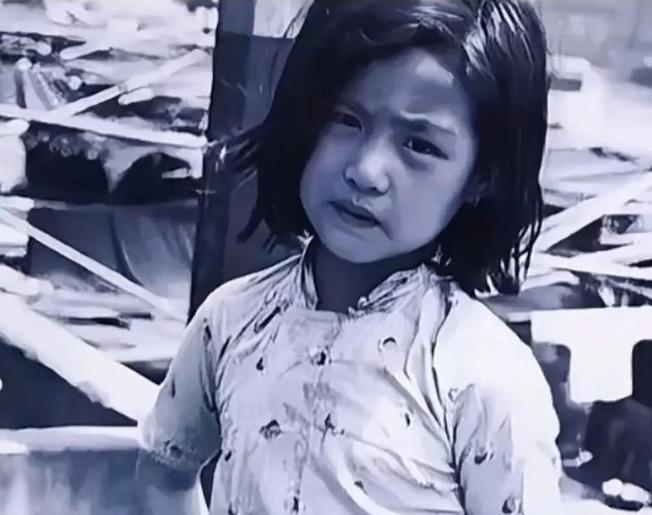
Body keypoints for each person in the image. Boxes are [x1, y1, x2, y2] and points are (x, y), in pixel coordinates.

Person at [136, 1, 563, 513]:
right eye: (346, 119)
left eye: (419, 145)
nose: (366, 170)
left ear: (481, 177)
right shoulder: (229, 323)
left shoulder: (484, 377)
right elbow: (164, 469)